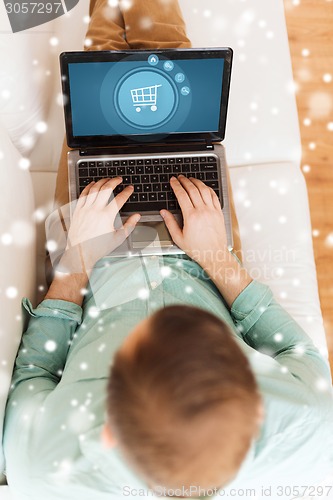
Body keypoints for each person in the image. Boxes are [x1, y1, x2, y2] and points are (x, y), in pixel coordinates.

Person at [3, 1, 333, 500]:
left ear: (108, 430)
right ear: (258, 405)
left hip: (91, 264)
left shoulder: (41, 464)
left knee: (102, 89)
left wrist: (75, 267)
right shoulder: (311, 426)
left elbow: (36, 370)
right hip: (207, 258)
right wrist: (215, 257)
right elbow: (296, 351)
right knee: (168, 78)